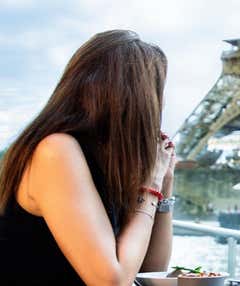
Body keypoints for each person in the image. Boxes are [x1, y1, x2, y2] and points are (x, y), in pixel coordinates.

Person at [0, 30, 176, 285]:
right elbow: (111, 281)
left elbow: (148, 272)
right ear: (139, 99)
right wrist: (150, 188)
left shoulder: (106, 164)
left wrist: (164, 184)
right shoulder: (56, 151)